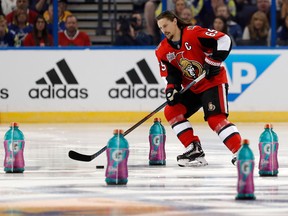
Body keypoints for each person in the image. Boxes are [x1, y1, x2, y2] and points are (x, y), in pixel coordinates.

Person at [155, 10, 241, 167]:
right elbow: (170, 74)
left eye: (166, 25)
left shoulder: (193, 33)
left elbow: (224, 40)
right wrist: (171, 89)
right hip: (193, 87)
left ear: (175, 21)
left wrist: (214, 60)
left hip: (212, 82)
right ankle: (194, 149)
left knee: (215, 119)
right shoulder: (162, 50)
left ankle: (241, 152)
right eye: (160, 28)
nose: (164, 30)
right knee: (172, 110)